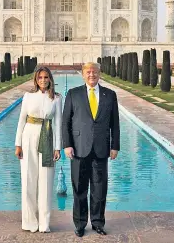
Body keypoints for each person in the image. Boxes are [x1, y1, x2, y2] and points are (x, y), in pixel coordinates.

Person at [62, 62, 120, 237]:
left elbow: (115, 124)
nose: (91, 75)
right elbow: (66, 122)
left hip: (101, 148)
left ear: (99, 74)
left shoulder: (110, 95)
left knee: (99, 188)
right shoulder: (73, 94)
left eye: (94, 72)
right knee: (79, 188)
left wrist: (115, 146)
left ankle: (97, 222)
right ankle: (80, 224)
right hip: (79, 148)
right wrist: (67, 144)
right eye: (88, 72)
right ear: (83, 74)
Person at [15, 66, 62, 233]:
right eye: (40, 77)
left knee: (46, 182)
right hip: (29, 137)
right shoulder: (28, 96)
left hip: (47, 138)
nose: (43, 80)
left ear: (50, 79)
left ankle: (44, 224)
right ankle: (29, 222)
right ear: (36, 79)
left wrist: (58, 147)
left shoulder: (56, 98)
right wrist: (18, 144)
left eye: (46, 77)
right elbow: (21, 120)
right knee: (28, 181)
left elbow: (58, 124)